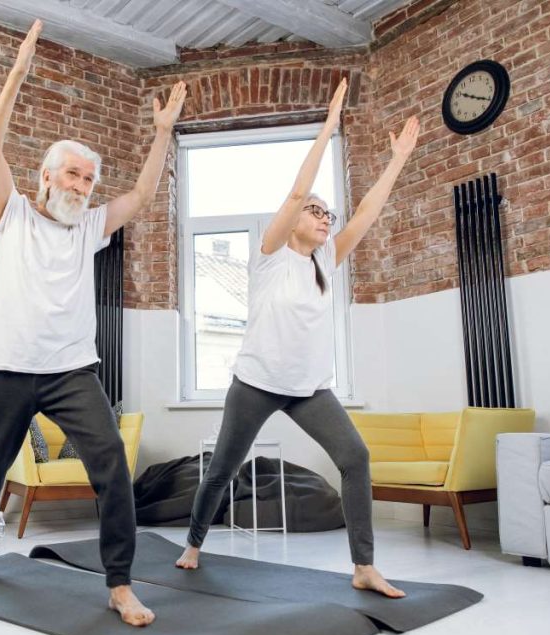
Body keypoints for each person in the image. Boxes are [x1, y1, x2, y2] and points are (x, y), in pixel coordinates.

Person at [0, 19, 187, 627]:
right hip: (3, 367)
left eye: (88, 178)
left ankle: (120, 583)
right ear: (46, 176)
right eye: (71, 173)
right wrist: (19, 71)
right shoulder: (13, 216)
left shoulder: (89, 229)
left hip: (72, 369)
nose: (81, 184)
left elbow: (144, 195)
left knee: (111, 467)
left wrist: (162, 134)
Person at [175, 77, 420, 599]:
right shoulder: (269, 255)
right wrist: (327, 128)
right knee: (221, 469)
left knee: (355, 458)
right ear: (291, 224)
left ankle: (364, 566)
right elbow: (294, 192)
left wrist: (397, 159)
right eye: (316, 211)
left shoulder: (325, 260)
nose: (325, 218)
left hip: (308, 387)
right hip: (257, 381)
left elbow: (367, 214)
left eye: (327, 214)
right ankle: (194, 544)